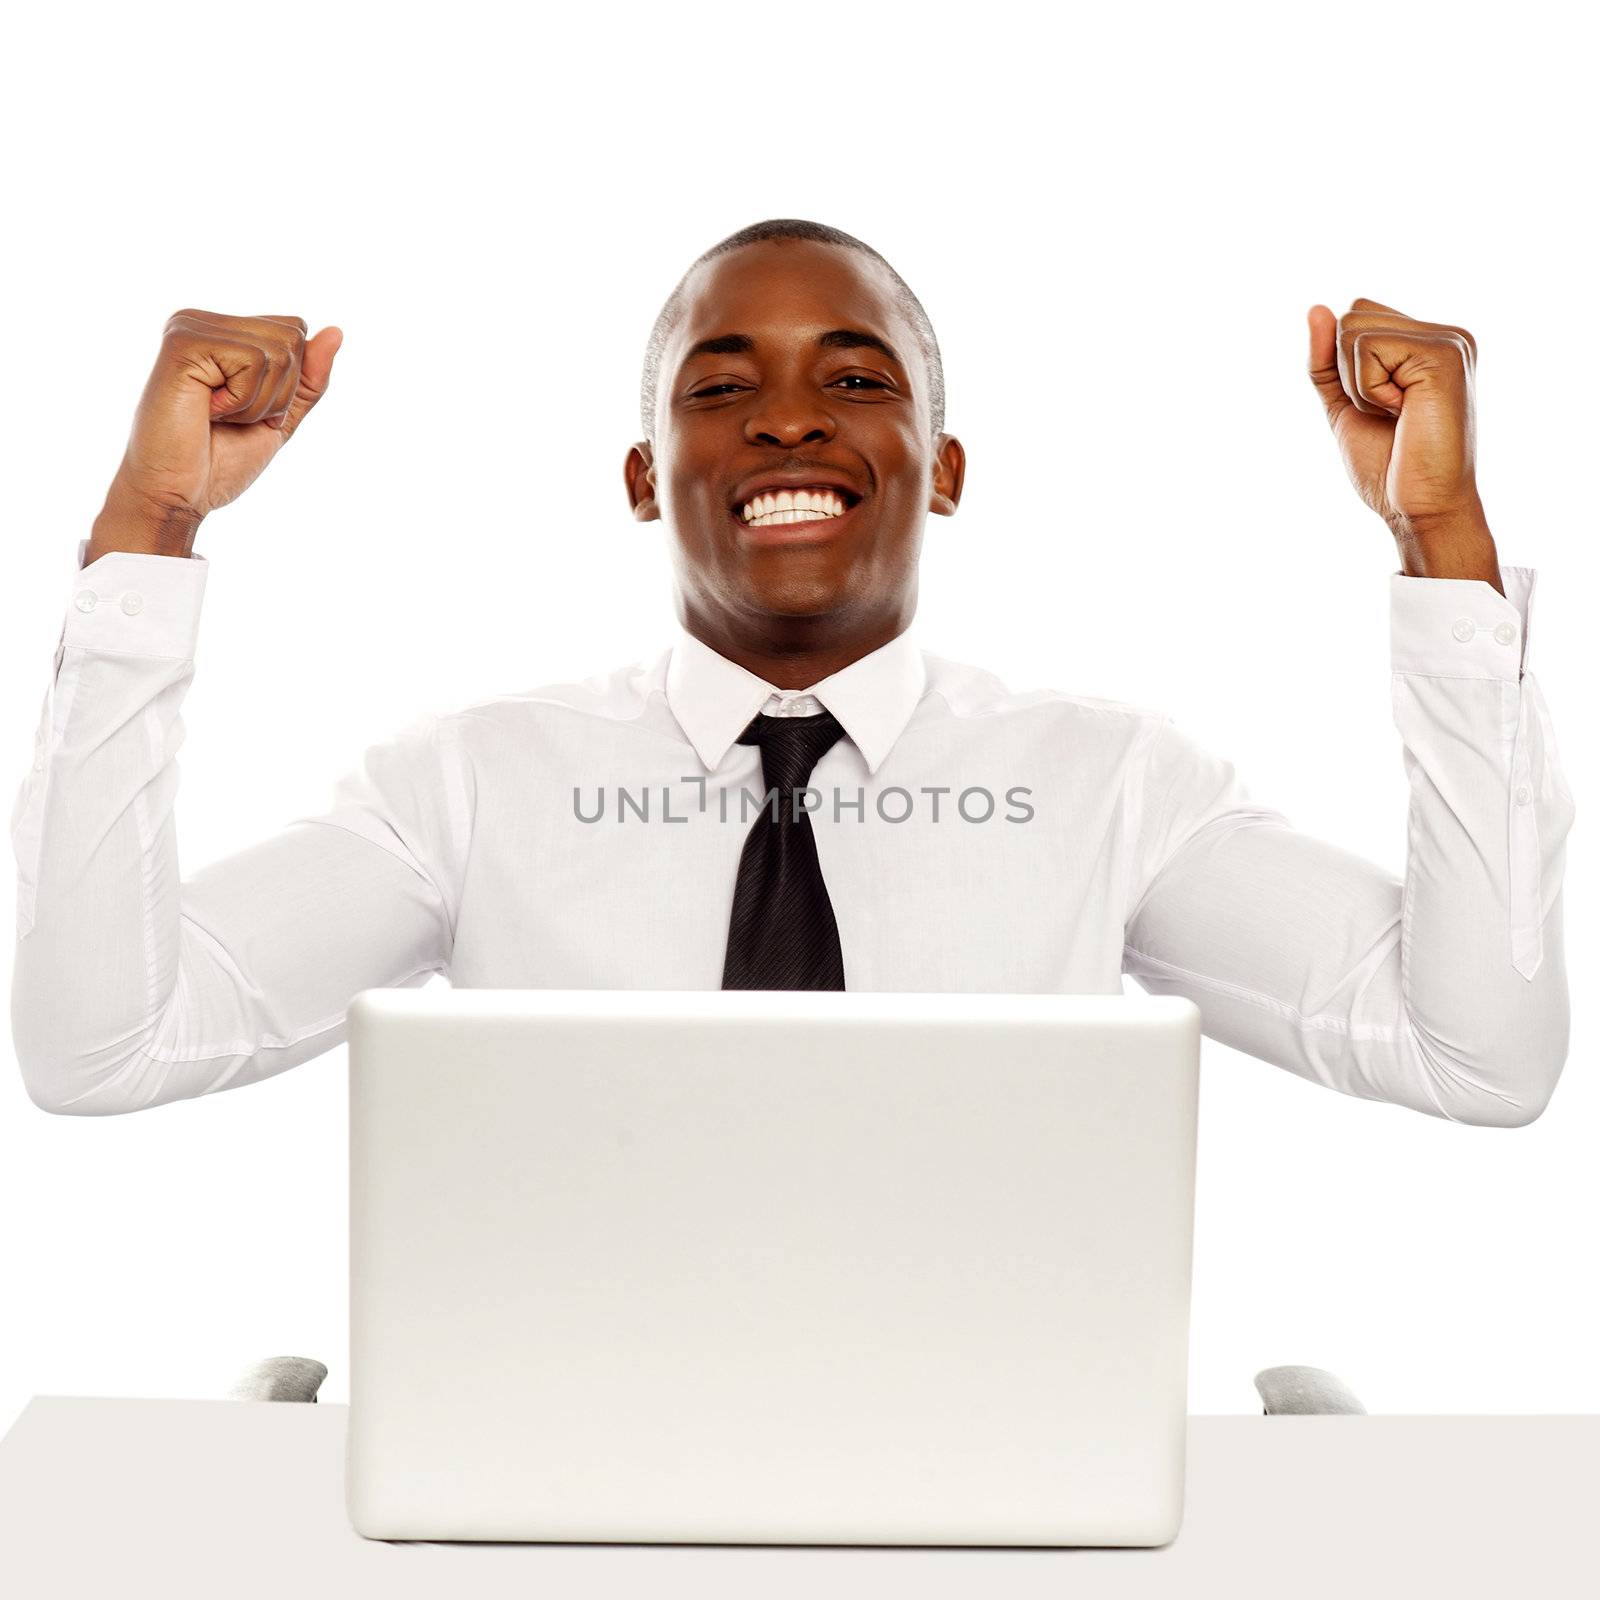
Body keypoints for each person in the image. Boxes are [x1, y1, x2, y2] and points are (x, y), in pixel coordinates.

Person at [10, 219, 1574, 1122]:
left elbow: (1477, 1054)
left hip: (992, 1506)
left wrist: (1438, 531)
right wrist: (150, 524)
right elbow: (104, 1045)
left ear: (942, 465)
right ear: (644, 477)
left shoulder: (1115, 787)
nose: (786, 421)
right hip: (565, 1504)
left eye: (855, 377)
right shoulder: (465, 784)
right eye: (719, 386)